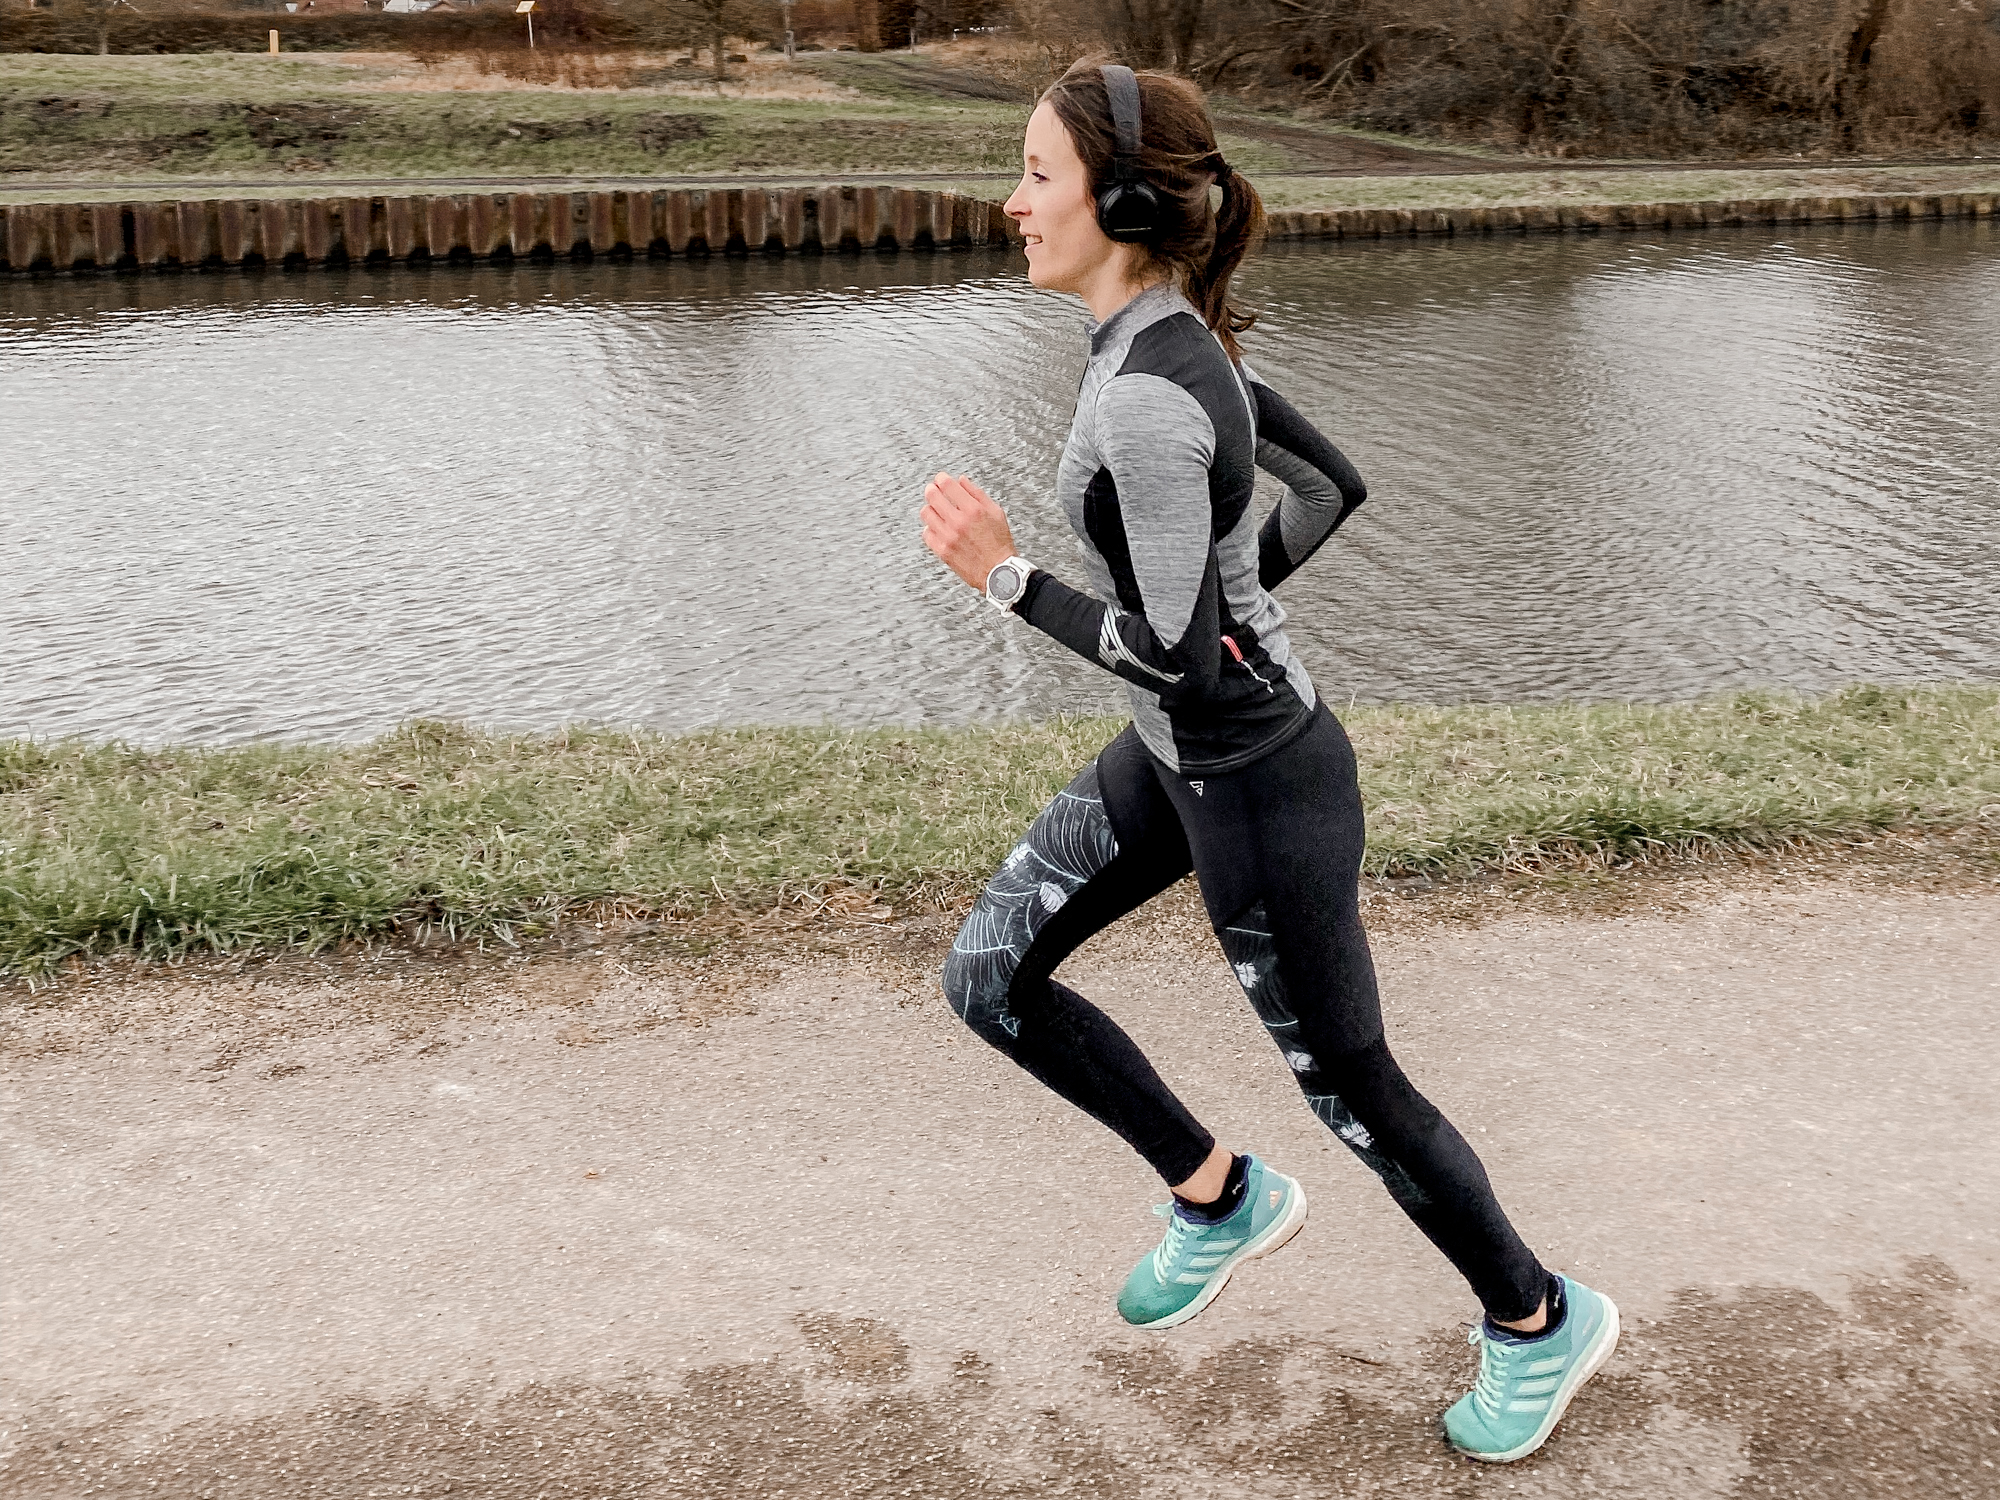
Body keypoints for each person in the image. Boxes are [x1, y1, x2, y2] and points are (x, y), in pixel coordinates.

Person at [916, 59, 1619, 1463]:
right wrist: (1237, 619)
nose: (1013, 202)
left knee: (1357, 1087)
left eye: (1037, 174)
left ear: (1118, 200)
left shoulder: (1152, 394)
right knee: (988, 976)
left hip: (1259, 791)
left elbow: (1171, 654)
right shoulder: (1174, 345)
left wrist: (1005, 582)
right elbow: (1329, 494)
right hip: (1186, 759)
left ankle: (1539, 1320)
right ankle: (1214, 1192)